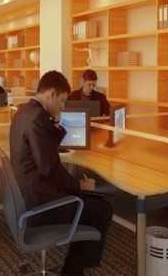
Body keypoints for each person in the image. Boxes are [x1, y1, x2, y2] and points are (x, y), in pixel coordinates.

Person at [10, 70, 112, 276]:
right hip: (40, 203)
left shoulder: (23, 112)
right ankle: (72, 271)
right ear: (51, 94)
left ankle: (74, 268)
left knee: (91, 199)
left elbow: (45, 157)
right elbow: (49, 168)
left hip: (28, 193)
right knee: (102, 208)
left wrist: (54, 125)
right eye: (62, 101)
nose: (63, 107)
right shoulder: (38, 117)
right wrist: (79, 185)